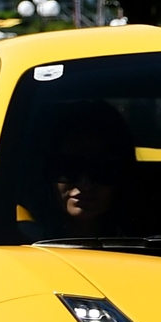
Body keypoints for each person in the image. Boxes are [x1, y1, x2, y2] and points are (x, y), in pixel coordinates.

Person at [44, 102, 136, 239]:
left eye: (102, 169)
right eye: (70, 167)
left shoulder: (153, 250)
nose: (85, 184)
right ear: (48, 169)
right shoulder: (15, 242)